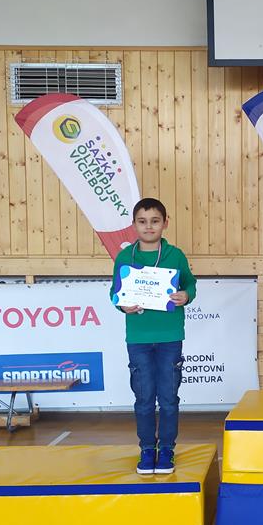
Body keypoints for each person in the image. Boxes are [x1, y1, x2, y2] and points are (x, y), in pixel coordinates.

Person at [110, 197, 196, 474]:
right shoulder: (125, 257)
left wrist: (186, 295)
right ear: (134, 225)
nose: (149, 227)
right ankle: (147, 449)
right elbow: (115, 293)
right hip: (139, 339)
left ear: (165, 223)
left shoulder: (175, 255)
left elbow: (190, 284)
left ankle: (167, 449)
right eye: (142, 221)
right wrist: (121, 305)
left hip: (170, 336)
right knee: (144, 397)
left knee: (169, 398)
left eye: (155, 221)